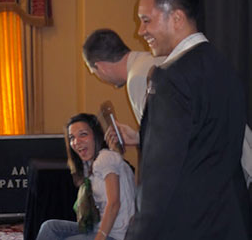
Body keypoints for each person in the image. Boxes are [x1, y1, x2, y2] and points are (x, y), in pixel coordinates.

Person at [124, 0, 252, 240]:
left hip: (185, 228)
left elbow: (159, 181)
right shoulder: (225, 69)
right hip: (230, 223)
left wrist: (138, 235)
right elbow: (208, 145)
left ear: (177, 18)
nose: (140, 31)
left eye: (146, 20)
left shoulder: (170, 78)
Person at [83, 29, 252, 188]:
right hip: (232, 150)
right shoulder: (149, 60)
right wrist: (139, 137)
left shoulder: (138, 77)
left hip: (218, 168)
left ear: (101, 66)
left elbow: (167, 151)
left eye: (94, 72)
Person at [36, 113, 135, 240]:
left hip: (115, 236)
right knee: (50, 227)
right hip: (97, 229)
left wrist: (99, 238)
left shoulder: (106, 158)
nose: (76, 142)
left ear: (96, 136)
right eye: (72, 137)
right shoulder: (90, 164)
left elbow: (114, 203)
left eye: (83, 134)